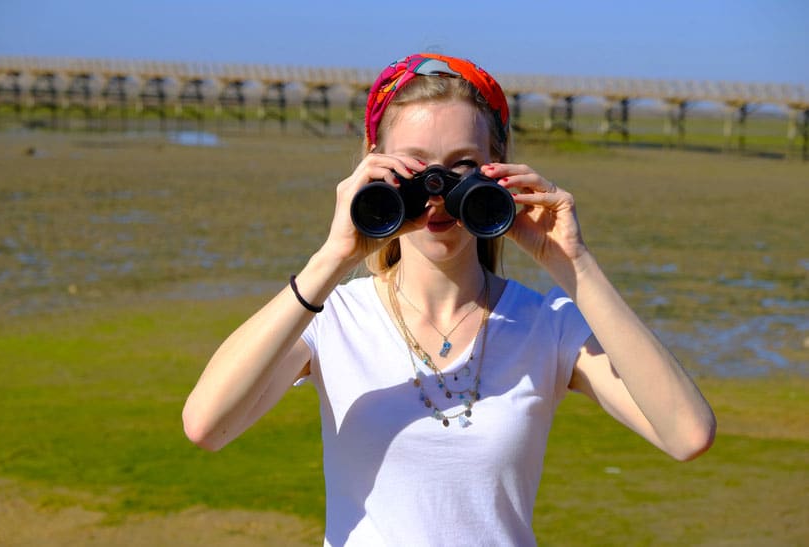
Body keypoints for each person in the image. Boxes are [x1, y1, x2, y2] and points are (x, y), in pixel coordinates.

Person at [183, 53, 716, 545]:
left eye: (462, 166)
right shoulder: (335, 319)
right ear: (374, 166)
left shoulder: (546, 326)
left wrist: (571, 263)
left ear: (497, 168)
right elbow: (206, 426)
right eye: (413, 168)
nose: (437, 195)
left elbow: (687, 435)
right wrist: (333, 257)